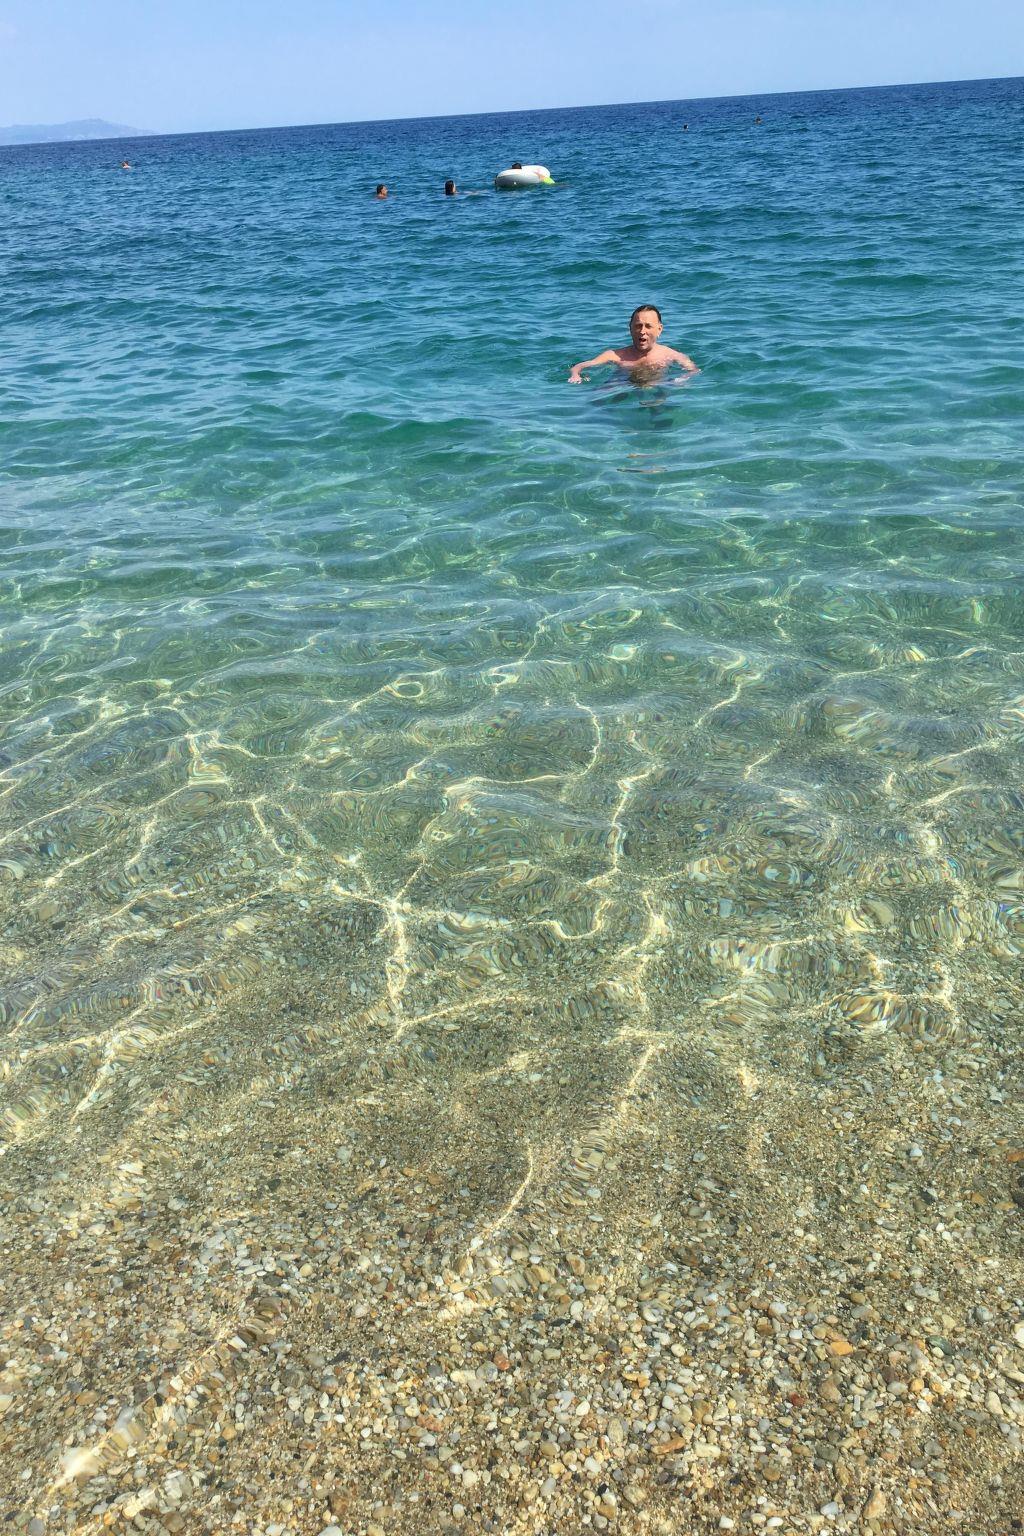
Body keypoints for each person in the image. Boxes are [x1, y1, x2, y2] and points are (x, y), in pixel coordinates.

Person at [568, 305, 699, 384]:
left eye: (648, 326)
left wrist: (680, 380)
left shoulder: (670, 354)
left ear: (659, 329)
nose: (642, 331)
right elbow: (580, 366)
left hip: (658, 386)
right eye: (638, 326)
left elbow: (693, 370)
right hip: (622, 385)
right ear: (630, 328)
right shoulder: (615, 355)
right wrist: (575, 375)